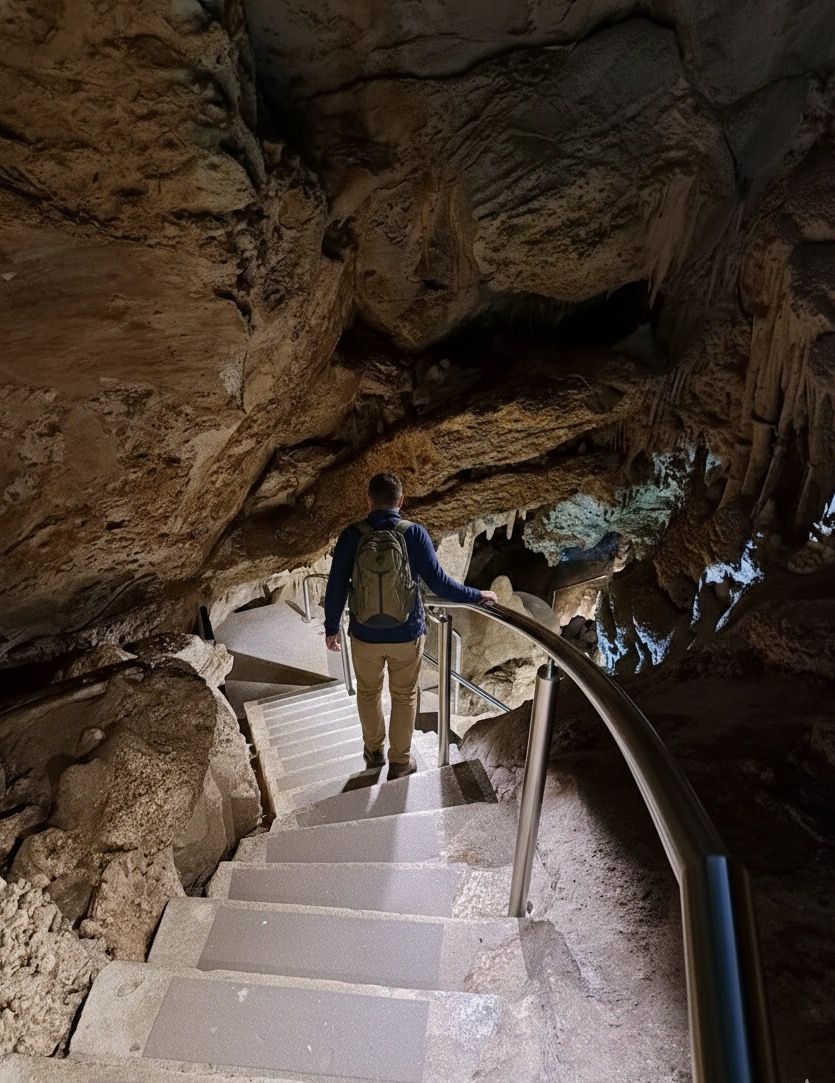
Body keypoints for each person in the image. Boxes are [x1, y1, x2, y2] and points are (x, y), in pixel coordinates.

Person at [324, 472, 497, 780]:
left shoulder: (352, 535)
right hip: (406, 633)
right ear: (401, 501)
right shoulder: (414, 534)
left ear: (369, 501)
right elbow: (440, 584)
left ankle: (373, 752)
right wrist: (477, 595)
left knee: (368, 691)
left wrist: (331, 626)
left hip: (364, 634)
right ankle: (400, 761)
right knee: (404, 695)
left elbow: (336, 584)